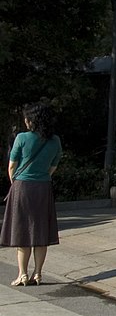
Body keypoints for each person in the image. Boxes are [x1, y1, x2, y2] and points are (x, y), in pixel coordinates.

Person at [3, 102, 62, 286]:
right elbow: (54, 165)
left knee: (22, 232)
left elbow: (12, 166)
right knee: (41, 231)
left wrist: (16, 182)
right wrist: (42, 176)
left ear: (32, 120)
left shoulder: (22, 138)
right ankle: (38, 273)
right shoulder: (55, 141)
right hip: (43, 187)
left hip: (22, 187)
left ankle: (22, 274)